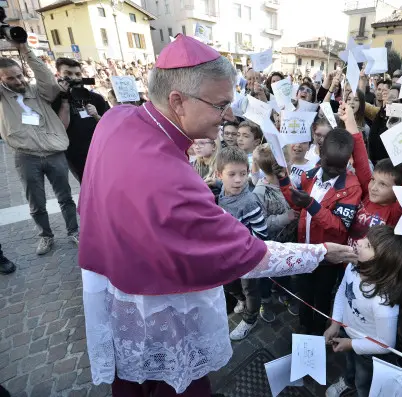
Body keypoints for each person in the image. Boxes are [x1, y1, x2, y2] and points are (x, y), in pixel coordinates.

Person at [77, 35, 357, 396]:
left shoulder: (116, 118)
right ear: (177, 101)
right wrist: (322, 252)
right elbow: (247, 254)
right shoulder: (173, 180)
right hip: (159, 308)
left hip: (120, 290)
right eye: (220, 104)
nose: (228, 116)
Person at [278, 128, 363, 335]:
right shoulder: (312, 174)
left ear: (348, 160)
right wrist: (283, 180)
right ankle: (304, 325)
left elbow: (339, 226)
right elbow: (298, 205)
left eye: (339, 166)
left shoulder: (352, 188)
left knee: (322, 296)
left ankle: (317, 332)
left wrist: (312, 205)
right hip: (305, 250)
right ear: (320, 153)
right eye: (328, 163)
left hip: (327, 257)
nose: (333, 170)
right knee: (305, 292)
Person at [0, 44, 78, 255]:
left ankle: (74, 231)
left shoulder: (38, 91)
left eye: (19, 76)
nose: (18, 81)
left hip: (54, 153)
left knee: (66, 197)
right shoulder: (3, 98)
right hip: (26, 156)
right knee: (36, 202)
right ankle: (45, 236)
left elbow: (46, 78)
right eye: (10, 78)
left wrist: (25, 50)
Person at [324, 225, 402, 397]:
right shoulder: (354, 265)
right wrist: (335, 323)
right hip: (348, 333)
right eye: (365, 238)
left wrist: (351, 344)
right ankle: (348, 381)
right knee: (350, 364)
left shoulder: (383, 302)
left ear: (382, 263)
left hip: (369, 350)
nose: (358, 242)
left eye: (368, 245)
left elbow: (385, 344)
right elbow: (343, 291)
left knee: (364, 379)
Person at [339, 102, 402, 248]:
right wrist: (349, 121)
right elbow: (361, 159)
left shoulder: (395, 212)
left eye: (383, 184)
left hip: (373, 270)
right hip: (347, 267)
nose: (373, 187)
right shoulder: (366, 195)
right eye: (373, 180)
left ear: (398, 192)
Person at [217, 146, 269, 339]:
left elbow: (261, 234)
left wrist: (246, 254)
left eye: (243, 173)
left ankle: (251, 317)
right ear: (219, 174)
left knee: (250, 289)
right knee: (229, 284)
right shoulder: (221, 191)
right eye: (231, 174)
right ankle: (241, 301)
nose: (238, 180)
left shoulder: (249, 202)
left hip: (246, 258)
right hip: (227, 255)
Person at [252, 144, 300, 320]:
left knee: (285, 270)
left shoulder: (289, 181)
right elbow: (261, 223)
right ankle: (265, 301)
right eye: (288, 159)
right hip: (270, 246)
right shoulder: (260, 192)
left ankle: (284, 293)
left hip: (288, 241)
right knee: (267, 276)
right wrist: (285, 217)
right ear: (282, 163)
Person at [53, 57, 109, 183]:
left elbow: (110, 127)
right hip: (76, 154)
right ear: (58, 75)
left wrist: (96, 116)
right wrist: (64, 99)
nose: (74, 78)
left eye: (77, 74)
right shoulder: (56, 100)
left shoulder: (97, 98)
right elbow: (60, 128)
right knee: (88, 186)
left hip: (100, 151)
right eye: (68, 74)